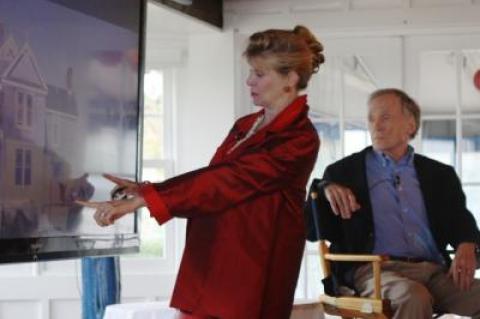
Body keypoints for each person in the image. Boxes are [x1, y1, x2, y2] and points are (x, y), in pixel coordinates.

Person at [77, 25, 324, 319]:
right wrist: (148, 190)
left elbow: (231, 179)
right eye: (250, 72)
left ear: (290, 79)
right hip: (211, 258)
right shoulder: (246, 125)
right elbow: (212, 180)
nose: (249, 81)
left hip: (251, 270)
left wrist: (148, 198)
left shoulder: (299, 138)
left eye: (259, 74)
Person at [307, 88, 480, 318]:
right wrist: (322, 188)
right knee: (413, 297)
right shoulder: (342, 173)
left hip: (434, 272)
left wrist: (467, 243)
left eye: (385, 117)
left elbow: (459, 219)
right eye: (371, 118)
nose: (376, 126)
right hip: (375, 272)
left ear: (410, 125)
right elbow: (310, 229)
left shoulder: (440, 174)